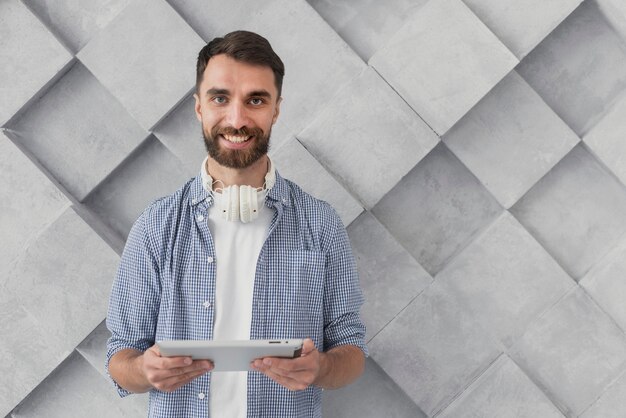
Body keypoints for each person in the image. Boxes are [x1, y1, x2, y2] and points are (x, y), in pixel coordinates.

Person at [105, 30, 367, 417]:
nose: (237, 119)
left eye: (256, 100)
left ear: (276, 109)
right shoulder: (156, 225)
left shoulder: (321, 224)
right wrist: (144, 370)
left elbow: (352, 352)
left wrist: (322, 367)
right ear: (199, 107)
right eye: (220, 98)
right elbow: (119, 357)